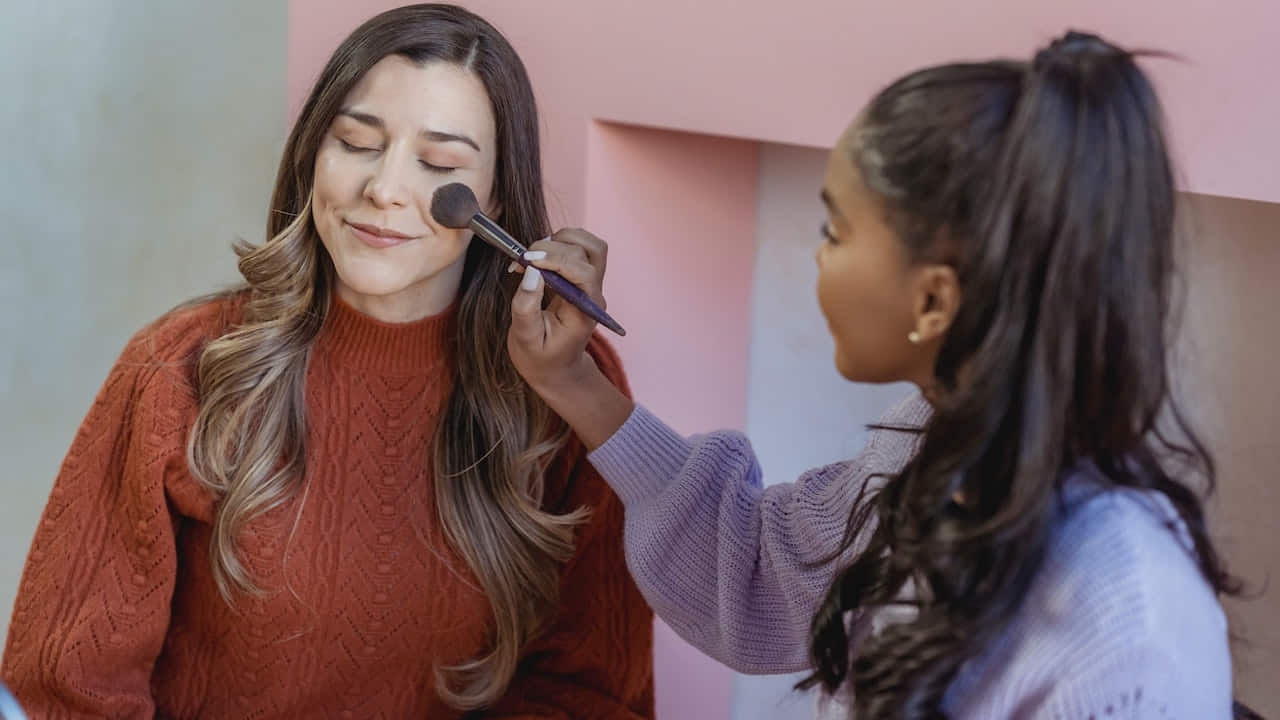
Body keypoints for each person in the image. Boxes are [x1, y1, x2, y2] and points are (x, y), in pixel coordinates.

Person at [507, 31, 1239, 718]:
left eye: (836, 231)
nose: (819, 258)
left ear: (932, 300)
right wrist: (571, 380)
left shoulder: (1128, 621)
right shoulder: (937, 443)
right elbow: (763, 565)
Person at [1, 5, 653, 718]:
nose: (385, 189)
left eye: (439, 164)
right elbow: (67, 687)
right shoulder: (178, 370)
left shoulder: (567, 389)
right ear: (314, 150)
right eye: (355, 142)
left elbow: (590, 693)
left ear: (494, 197)